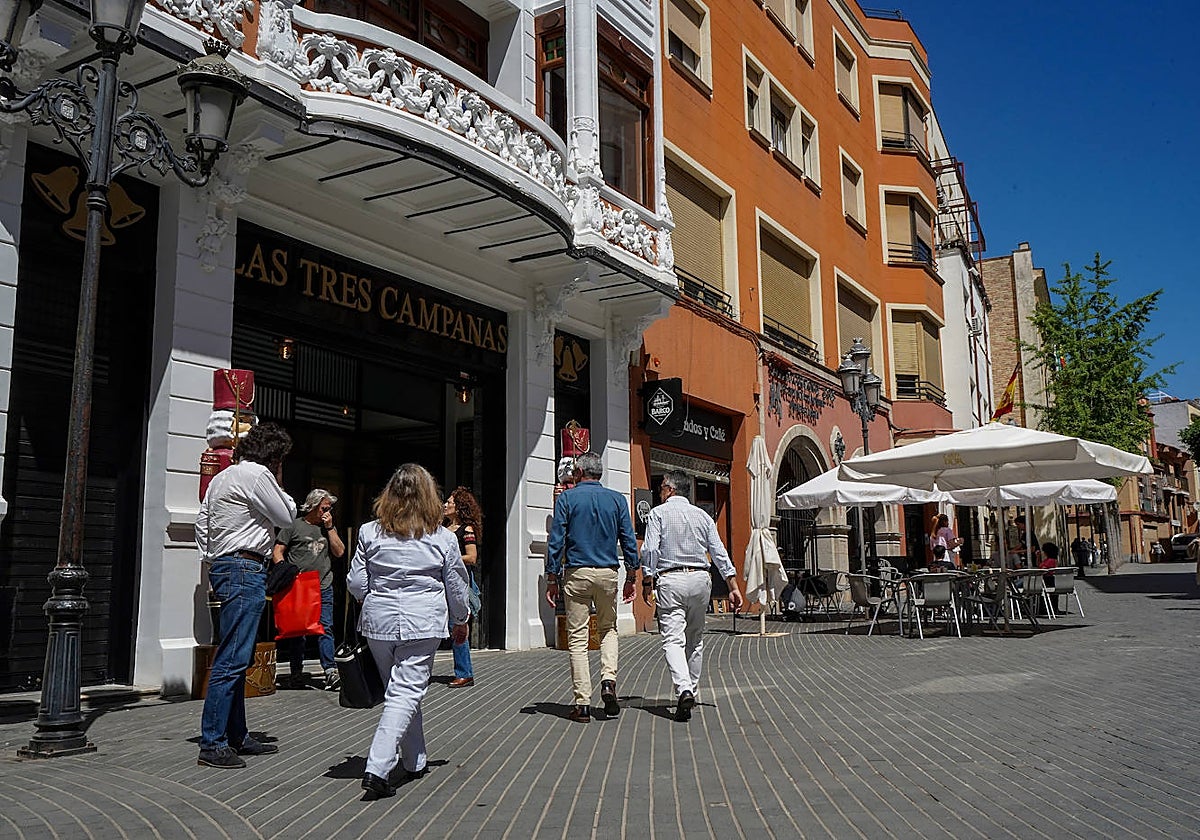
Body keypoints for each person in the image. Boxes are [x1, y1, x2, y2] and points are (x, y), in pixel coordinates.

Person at [348, 464, 469, 799]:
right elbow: (456, 586)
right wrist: (461, 619)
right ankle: (378, 767)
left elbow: (357, 583)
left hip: (379, 621)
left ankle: (415, 760)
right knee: (405, 693)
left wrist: (370, 597)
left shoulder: (369, 532)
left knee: (400, 690)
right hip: (422, 620)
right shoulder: (442, 537)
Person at [195, 422, 296, 770]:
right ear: (275, 457)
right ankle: (213, 743)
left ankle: (236, 734)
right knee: (233, 658)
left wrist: (213, 557)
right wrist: (279, 483)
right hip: (246, 567)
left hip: (225, 565)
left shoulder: (222, 478)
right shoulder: (258, 476)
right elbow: (287, 515)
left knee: (237, 653)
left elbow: (201, 524)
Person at [640, 471, 743, 722]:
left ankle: (683, 687)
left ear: (671, 490)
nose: (660, 491)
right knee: (695, 638)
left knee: (673, 640)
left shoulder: (658, 514)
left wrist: (647, 580)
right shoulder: (703, 516)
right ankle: (691, 692)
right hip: (700, 579)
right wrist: (733, 585)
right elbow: (719, 551)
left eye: (662, 486)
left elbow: (651, 549)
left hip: (671, 579)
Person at [544, 451, 639, 723]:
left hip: (577, 572)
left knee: (577, 637)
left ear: (578, 473)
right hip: (608, 572)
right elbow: (628, 539)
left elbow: (556, 540)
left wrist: (552, 577)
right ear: (600, 473)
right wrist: (632, 574)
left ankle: (582, 703)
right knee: (609, 628)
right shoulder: (617, 499)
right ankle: (608, 681)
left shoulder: (567, 499)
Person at [273, 489, 345, 690]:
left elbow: (339, 552)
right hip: (300, 587)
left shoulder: (327, 528)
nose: (327, 511)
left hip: (323, 585)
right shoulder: (294, 526)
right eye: (324, 507)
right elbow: (277, 552)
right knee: (298, 631)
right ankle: (296, 672)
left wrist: (330, 528)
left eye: (329, 508)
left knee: (325, 628)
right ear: (313, 506)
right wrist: (285, 572)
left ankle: (330, 671)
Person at [443, 486, 482, 688]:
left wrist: (450, 560)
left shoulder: (465, 530)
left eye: (449, 502)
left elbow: (472, 557)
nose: (445, 505)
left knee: (457, 626)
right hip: (442, 582)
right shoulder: (441, 529)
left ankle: (464, 672)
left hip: (458, 583)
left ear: (459, 507)